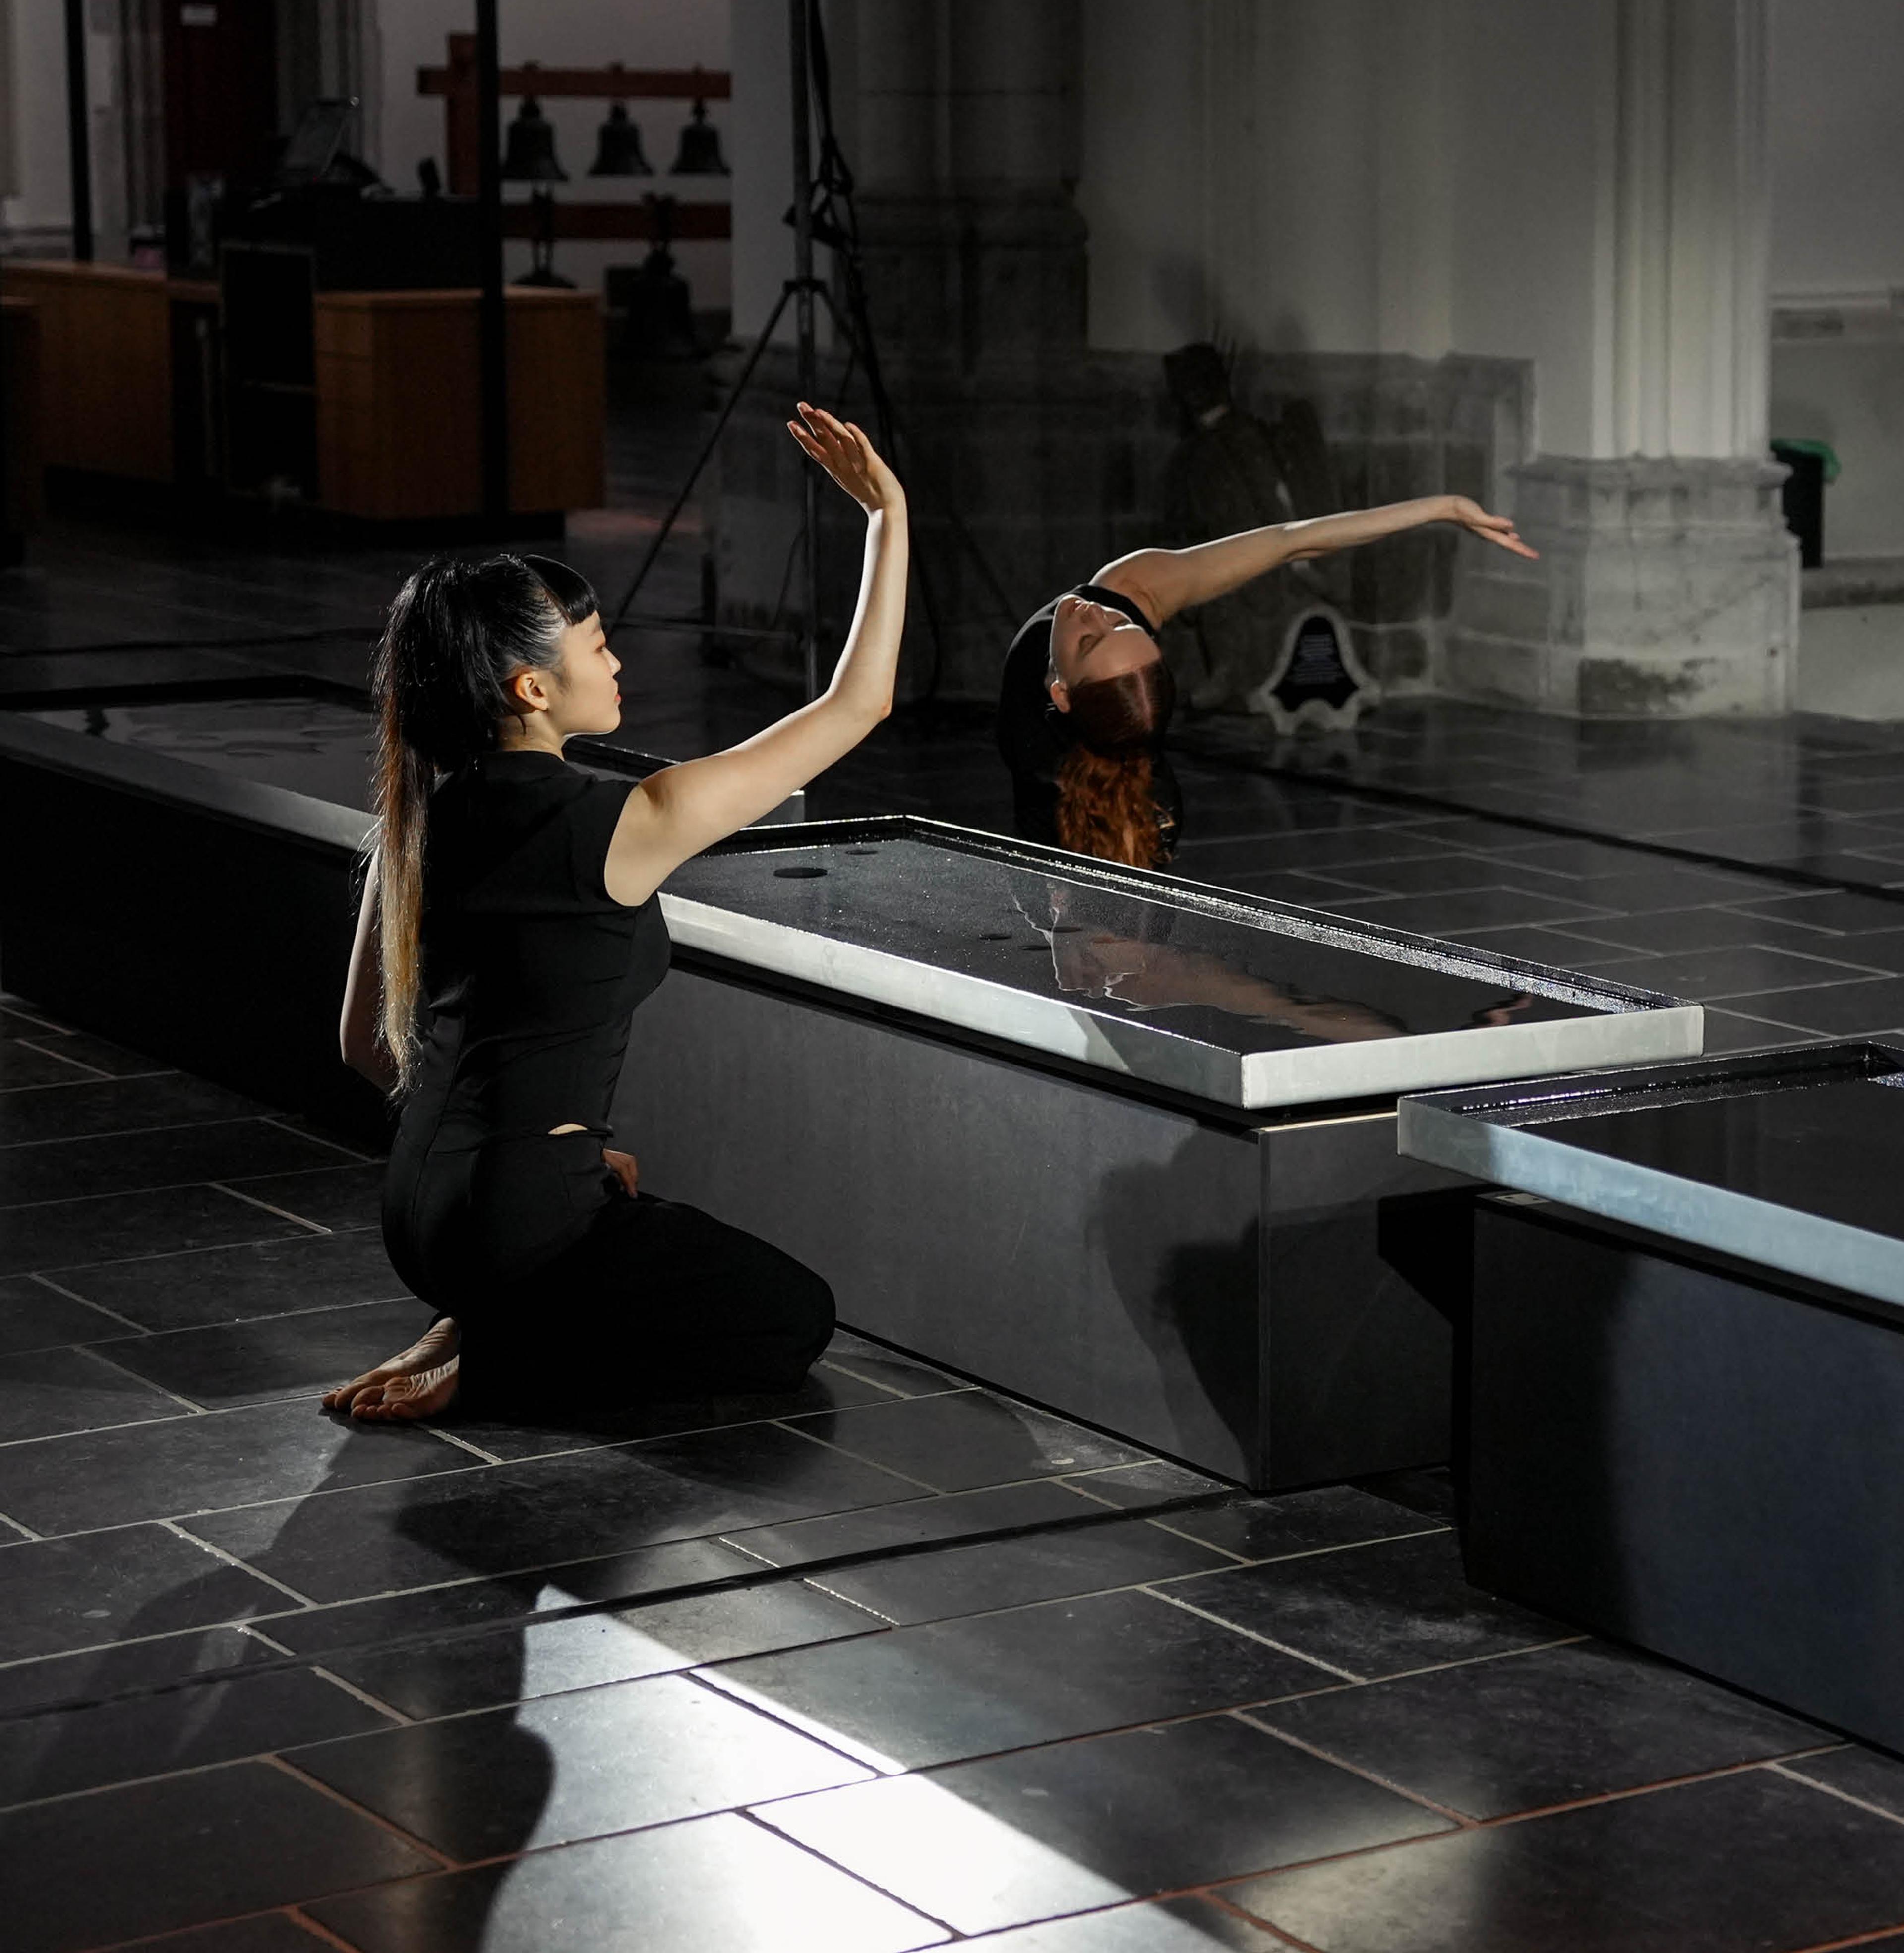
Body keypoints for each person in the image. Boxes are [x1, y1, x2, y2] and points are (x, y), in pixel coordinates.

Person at [322, 403, 907, 1423]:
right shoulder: (623, 823)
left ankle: (481, 1320)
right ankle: (501, 1360)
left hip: (419, 1219)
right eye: (599, 647)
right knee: (791, 1317)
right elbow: (857, 706)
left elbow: (366, 1048)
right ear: (533, 687)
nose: (618, 664)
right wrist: (886, 517)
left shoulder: (414, 822)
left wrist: (553, 1153)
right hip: (521, 1229)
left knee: (647, 1233)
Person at [996, 493, 1538, 869]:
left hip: (1118, 816)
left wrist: (1443, 509)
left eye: (1117, 625)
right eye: (1108, 629)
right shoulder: (1125, 594)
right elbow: (1288, 542)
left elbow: (1291, 543)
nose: (1092, 611)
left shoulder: (1124, 596)